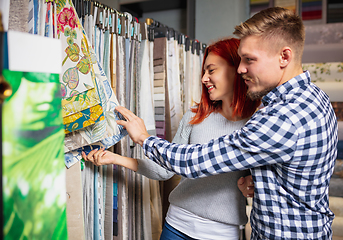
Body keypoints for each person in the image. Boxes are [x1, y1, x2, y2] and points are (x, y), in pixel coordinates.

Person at [115, 7, 338, 240]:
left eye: (249, 60)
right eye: (241, 59)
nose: (241, 69)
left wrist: (143, 138)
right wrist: (258, 183)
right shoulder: (315, 97)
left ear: (284, 56)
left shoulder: (282, 118)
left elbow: (197, 162)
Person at [83, 38, 260, 240]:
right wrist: (113, 159)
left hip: (220, 234)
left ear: (236, 69)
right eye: (204, 71)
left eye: (211, 70)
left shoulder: (256, 125)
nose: (203, 78)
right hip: (176, 226)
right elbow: (165, 169)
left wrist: (252, 183)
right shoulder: (195, 116)